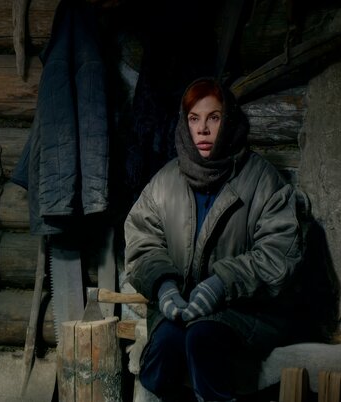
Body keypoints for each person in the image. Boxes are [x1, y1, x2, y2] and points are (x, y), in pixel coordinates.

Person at [125, 78, 304, 401]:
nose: (203, 130)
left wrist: (220, 284)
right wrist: (164, 286)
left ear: (229, 120)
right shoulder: (165, 181)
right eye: (194, 119)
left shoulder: (264, 181)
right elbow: (142, 240)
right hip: (180, 305)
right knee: (163, 350)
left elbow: (279, 253)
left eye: (214, 117)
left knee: (202, 337)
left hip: (246, 310)